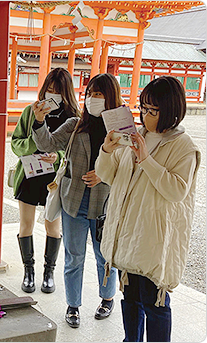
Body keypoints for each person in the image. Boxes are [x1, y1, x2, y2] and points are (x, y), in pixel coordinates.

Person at [95, 76, 201, 342]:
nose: (145, 116)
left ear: (171, 110)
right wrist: (107, 150)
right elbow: (107, 175)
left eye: (152, 111)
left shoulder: (183, 146)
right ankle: (131, 339)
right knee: (130, 298)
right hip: (127, 232)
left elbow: (177, 190)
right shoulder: (136, 135)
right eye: (142, 108)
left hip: (154, 238)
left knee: (155, 303)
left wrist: (146, 159)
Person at [32, 73, 120, 328]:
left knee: (105, 257)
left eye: (99, 94)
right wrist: (40, 121)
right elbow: (47, 143)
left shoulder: (122, 129)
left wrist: (104, 174)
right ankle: (73, 305)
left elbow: (129, 165)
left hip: (105, 203)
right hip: (74, 201)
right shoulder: (74, 125)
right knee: (74, 256)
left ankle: (107, 298)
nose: (93, 99)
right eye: (90, 94)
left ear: (111, 97)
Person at [11, 68, 80, 294]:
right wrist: (36, 146)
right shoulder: (31, 113)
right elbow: (16, 143)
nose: (52, 96)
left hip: (56, 179)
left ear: (66, 93)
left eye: (58, 92)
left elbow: (74, 151)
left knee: (53, 224)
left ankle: (49, 272)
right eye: (49, 90)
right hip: (29, 176)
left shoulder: (72, 118)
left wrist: (57, 155)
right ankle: (28, 272)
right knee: (26, 224)